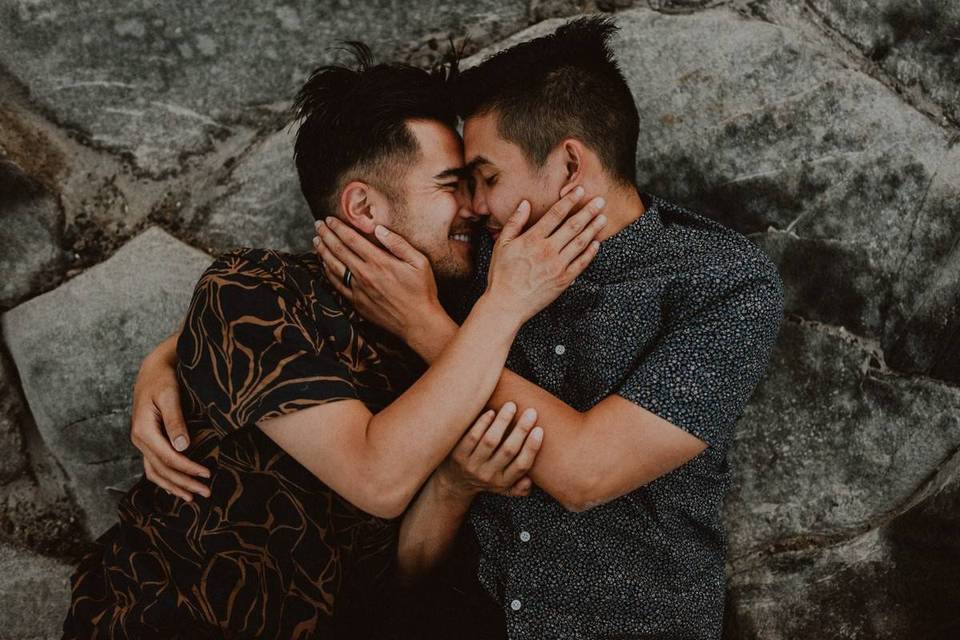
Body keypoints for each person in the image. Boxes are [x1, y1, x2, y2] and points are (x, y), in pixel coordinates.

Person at [62, 43, 605, 639]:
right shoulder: (255, 290)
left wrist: (454, 482)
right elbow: (377, 478)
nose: (475, 207)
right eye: (451, 184)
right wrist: (506, 305)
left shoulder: (453, 330)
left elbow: (401, 576)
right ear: (363, 206)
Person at [314, 16, 786, 639]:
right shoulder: (476, 256)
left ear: (569, 165)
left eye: (486, 178)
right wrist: (178, 358)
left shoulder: (723, 284)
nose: (472, 206)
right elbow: (316, 289)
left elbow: (587, 472)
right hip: (469, 617)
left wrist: (427, 327)